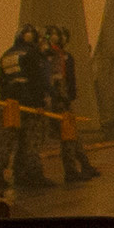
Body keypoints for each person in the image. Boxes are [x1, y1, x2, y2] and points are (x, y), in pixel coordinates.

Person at [0, 24, 53, 192]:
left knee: (8, 141)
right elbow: (37, 79)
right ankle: (34, 175)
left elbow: (2, 81)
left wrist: (4, 101)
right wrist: (40, 103)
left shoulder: (7, 54)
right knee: (30, 142)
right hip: (29, 105)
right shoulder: (32, 53)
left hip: (11, 104)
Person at [41, 25, 100, 182]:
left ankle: (84, 165)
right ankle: (71, 171)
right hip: (58, 100)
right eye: (56, 35)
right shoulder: (51, 55)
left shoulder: (61, 55)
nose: (61, 38)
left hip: (62, 99)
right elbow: (53, 78)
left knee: (72, 134)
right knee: (68, 136)